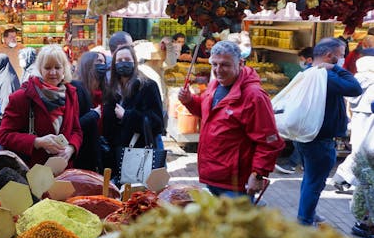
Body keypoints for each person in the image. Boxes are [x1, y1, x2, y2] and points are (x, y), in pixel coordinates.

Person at [178, 41, 285, 198]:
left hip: (235, 184)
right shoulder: (215, 84)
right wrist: (190, 101)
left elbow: (268, 141)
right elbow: (209, 113)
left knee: (233, 222)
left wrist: (258, 174)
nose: (218, 70)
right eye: (214, 64)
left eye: (225, 65)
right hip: (212, 175)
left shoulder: (254, 96)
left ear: (240, 63)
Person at [292, 38, 362, 226]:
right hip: (320, 139)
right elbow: (355, 89)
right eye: (340, 55)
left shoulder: (308, 72)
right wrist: (336, 69)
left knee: (310, 179)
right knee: (315, 182)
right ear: (329, 56)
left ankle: (308, 213)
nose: (343, 59)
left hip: (308, 136)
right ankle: (305, 220)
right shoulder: (325, 75)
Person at [0, 44, 83, 168]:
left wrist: (71, 148)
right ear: (40, 69)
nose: (53, 72)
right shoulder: (22, 97)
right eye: (48, 68)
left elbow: (76, 130)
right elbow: (4, 136)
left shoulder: (70, 94)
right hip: (31, 173)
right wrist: (37, 142)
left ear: (64, 69)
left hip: (63, 172)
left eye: (57, 67)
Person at [103, 44, 165, 179]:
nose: (123, 63)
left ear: (134, 61)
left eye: (127, 59)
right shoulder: (111, 89)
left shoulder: (148, 86)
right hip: (115, 154)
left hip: (139, 153)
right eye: (119, 61)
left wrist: (127, 116)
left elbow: (157, 123)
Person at [332, 48, 374, 191]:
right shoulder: (372, 81)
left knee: (359, 150)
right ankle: (346, 178)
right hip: (369, 119)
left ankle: (343, 177)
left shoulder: (356, 78)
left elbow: (348, 99)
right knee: (365, 151)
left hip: (357, 118)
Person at [72, 51, 106, 172]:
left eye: (104, 62)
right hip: (81, 152)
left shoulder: (105, 92)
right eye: (98, 62)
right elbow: (72, 125)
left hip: (101, 151)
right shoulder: (76, 90)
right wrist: (93, 115)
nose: (102, 65)